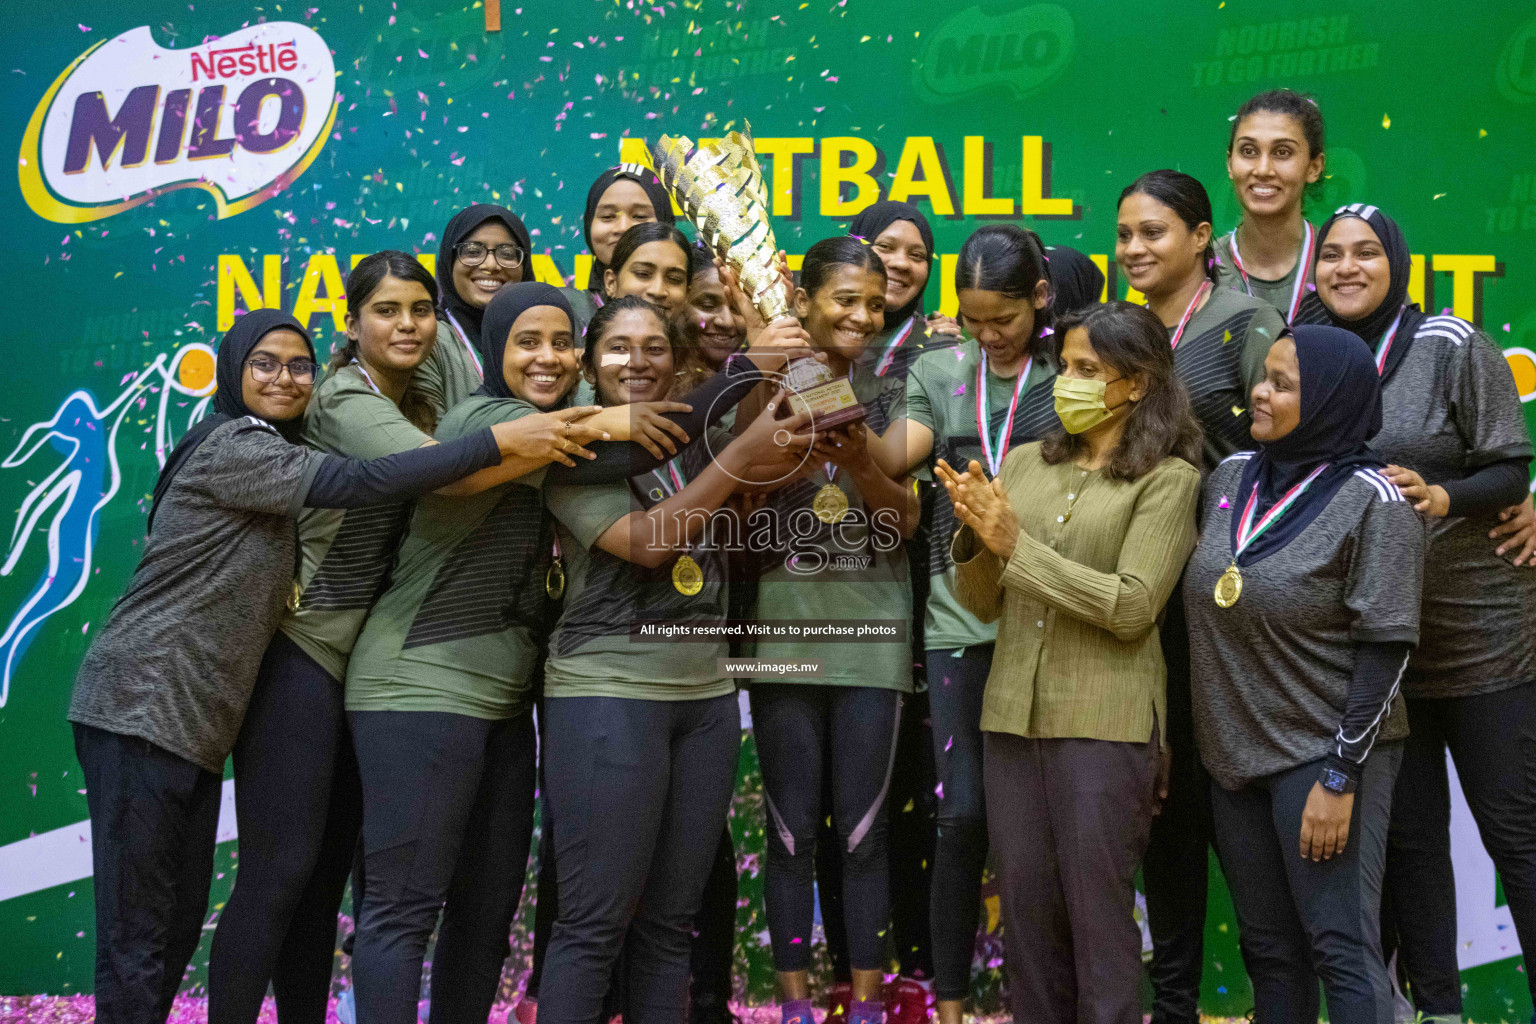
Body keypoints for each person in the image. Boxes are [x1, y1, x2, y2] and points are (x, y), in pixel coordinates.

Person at [66, 308, 581, 1024]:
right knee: (139, 931)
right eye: (265, 363)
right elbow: (365, 479)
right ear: (231, 371)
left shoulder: (270, 443)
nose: (285, 378)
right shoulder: (236, 446)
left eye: (299, 364)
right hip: (140, 706)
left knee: (175, 920)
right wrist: (501, 440)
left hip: (193, 722)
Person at [207, 253, 595, 1024]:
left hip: (383, 658)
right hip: (310, 647)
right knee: (287, 872)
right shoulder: (346, 395)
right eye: (387, 310)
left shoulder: (426, 395)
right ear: (351, 324)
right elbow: (443, 471)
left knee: (342, 877)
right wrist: (612, 419)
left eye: (421, 309)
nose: (409, 325)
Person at [534, 296, 810, 1024]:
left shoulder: (694, 434)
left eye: (654, 347)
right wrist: (740, 456)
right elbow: (652, 544)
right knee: (592, 928)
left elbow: (751, 487)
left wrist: (768, 386)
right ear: (590, 363)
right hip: (607, 694)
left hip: (707, 699)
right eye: (618, 348)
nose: (637, 362)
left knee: (667, 927)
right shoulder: (571, 446)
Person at [1296, 204, 1536, 1023]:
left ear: (1396, 263)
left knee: (1516, 836)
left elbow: (1509, 469)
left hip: (1480, 636)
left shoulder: (1450, 343)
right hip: (1373, 646)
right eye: (1332, 255)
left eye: (1367, 253)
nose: (1347, 267)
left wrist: (1442, 496)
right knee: (1412, 846)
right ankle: (1441, 1011)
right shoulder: (1309, 351)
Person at [937, 300, 1201, 1024]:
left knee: (1099, 922)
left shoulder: (1168, 480)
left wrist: (1014, 545)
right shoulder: (1025, 460)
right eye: (1066, 368)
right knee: (1026, 921)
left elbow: (1131, 607)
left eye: (1090, 370)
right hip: (1012, 720)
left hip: (1107, 724)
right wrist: (974, 536)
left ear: (1137, 384)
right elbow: (984, 603)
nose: (1068, 383)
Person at [1186, 324, 1427, 1024]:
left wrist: (1340, 775)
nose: (1258, 392)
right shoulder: (1231, 477)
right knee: (1268, 952)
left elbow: (1387, 647)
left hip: (1323, 755)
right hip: (1234, 758)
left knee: (1341, 950)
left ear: (1329, 400)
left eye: (1282, 385)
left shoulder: (1377, 500)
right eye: (1263, 376)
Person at [866, 224, 1057, 1024]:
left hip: (1051, 624)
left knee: (1042, 827)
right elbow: (892, 458)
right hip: (956, 625)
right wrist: (824, 400)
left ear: (1039, 298)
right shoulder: (939, 370)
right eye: (973, 318)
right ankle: (949, 1003)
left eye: (1003, 319)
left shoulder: (1070, 371)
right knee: (964, 813)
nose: (986, 335)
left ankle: (1040, 999)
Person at [1118, 168, 1287, 1024]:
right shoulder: (1117, 335)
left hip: (1228, 604)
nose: (1135, 250)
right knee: (1168, 805)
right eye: (1125, 237)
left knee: (1239, 807)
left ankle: (1279, 999)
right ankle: (1173, 1003)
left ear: (1199, 237)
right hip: (1143, 604)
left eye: (1153, 233)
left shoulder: (1246, 322)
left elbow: (1288, 439)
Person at [744, 236, 919, 1024]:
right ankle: (793, 1011)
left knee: (863, 837)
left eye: (875, 303)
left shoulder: (894, 391)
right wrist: (767, 378)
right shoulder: (760, 386)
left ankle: (869, 1007)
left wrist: (857, 459)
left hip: (873, 639)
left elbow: (904, 520)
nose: (862, 315)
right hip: (782, 637)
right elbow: (739, 497)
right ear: (803, 302)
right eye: (845, 299)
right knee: (788, 836)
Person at [1213, 89, 1327, 323]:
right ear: (1230, 164)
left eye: (1282, 152)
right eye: (1248, 151)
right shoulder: (1199, 271)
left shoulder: (1344, 264)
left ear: (1314, 167)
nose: (1263, 169)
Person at [849, 199, 961, 380]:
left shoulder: (937, 350)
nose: (901, 263)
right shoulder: (810, 334)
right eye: (885, 247)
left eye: (917, 255)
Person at [433, 203, 534, 393]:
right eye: (472, 251)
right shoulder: (430, 340)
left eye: (507, 254)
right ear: (449, 260)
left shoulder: (546, 336)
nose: (490, 265)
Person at [566, 164, 676, 333]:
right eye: (608, 217)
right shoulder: (564, 313)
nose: (623, 228)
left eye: (639, 216)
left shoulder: (688, 313)